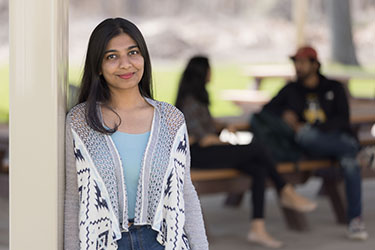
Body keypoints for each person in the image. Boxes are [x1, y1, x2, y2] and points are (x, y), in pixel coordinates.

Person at [64, 18, 209, 250]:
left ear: (143, 58)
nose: (125, 64)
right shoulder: (80, 122)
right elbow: (74, 198)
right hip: (105, 243)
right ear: (98, 66)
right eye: (112, 56)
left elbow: (185, 192)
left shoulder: (171, 120)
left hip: (162, 241)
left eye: (133, 52)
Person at [175, 55, 317, 248]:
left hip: (206, 151)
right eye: (209, 70)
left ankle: (257, 228)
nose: (212, 73)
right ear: (202, 73)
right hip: (198, 155)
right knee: (256, 148)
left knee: (258, 168)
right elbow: (205, 139)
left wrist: (223, 125)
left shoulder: (196, 98)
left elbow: (204, 125)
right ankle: (284, 189)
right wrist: (224, 140)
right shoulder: (190, 101)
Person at [262, 46, 369, 240]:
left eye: (302, 62)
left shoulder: (334, 87)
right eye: (296, 63)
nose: (298, 67)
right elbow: (266, 111)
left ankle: (355, 221)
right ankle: (360, 151)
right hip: (307, 146)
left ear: (315, 64)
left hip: (335, 142)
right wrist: (284, 114)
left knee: (351, 163)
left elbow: (343, 120)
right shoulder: (290, 90)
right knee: (305, 135)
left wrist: (320, 130)